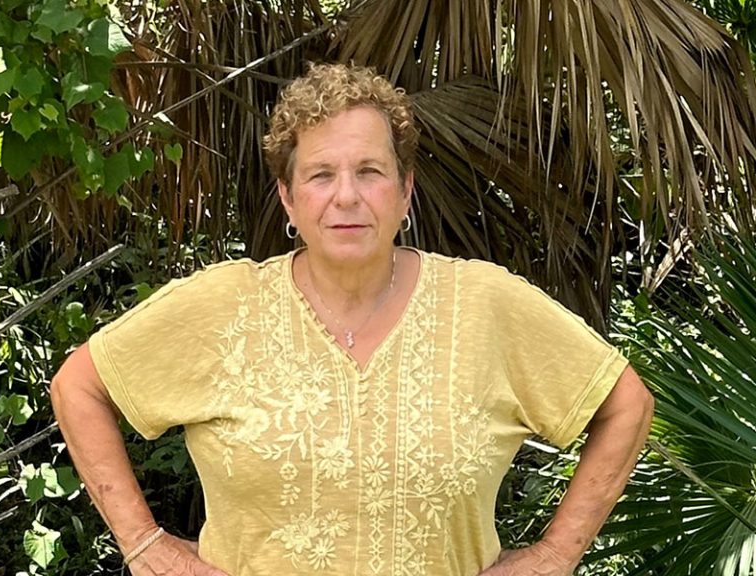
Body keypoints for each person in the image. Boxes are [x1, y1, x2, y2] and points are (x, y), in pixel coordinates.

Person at [51, 63, 654, 576]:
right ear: (288, 198)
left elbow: (624, 401)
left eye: (369, 171)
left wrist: (554, 554)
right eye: (320, 175)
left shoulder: (484, 305)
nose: (346, 196)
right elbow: (80, 386)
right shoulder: (222, 306)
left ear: (405, 191)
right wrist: (146, 545)